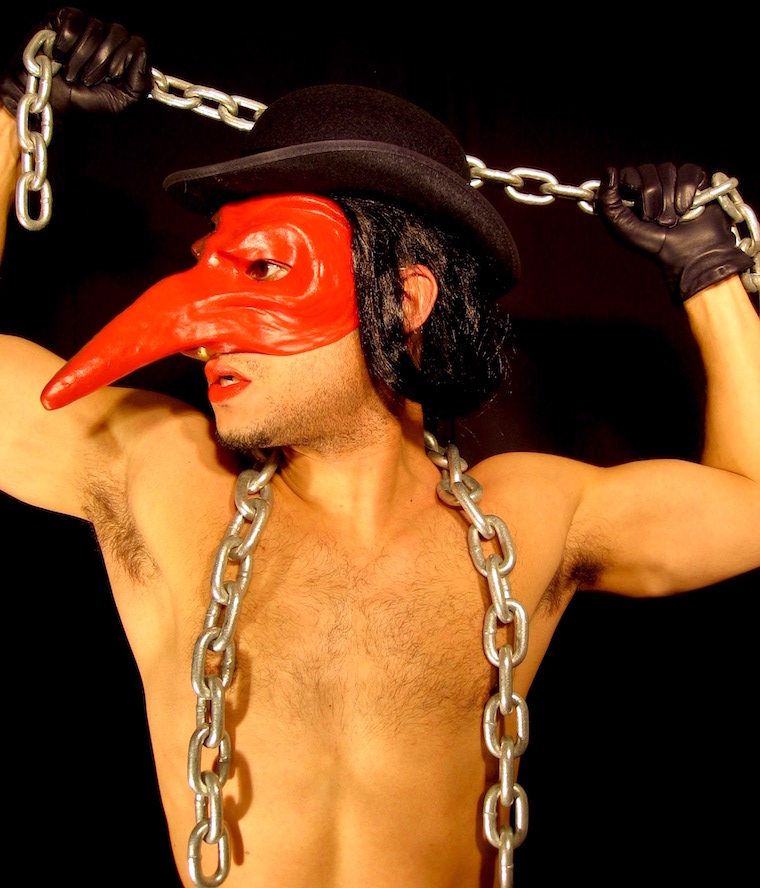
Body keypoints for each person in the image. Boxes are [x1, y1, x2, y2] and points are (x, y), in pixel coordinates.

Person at [2, 9, 759, 888]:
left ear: (404, 301)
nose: (205, 329)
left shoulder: (524, 520)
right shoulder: (157, 473)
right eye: (208, 268)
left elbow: (749, 509)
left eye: (263, 271)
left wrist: (709, 273)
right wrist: (15, 111)